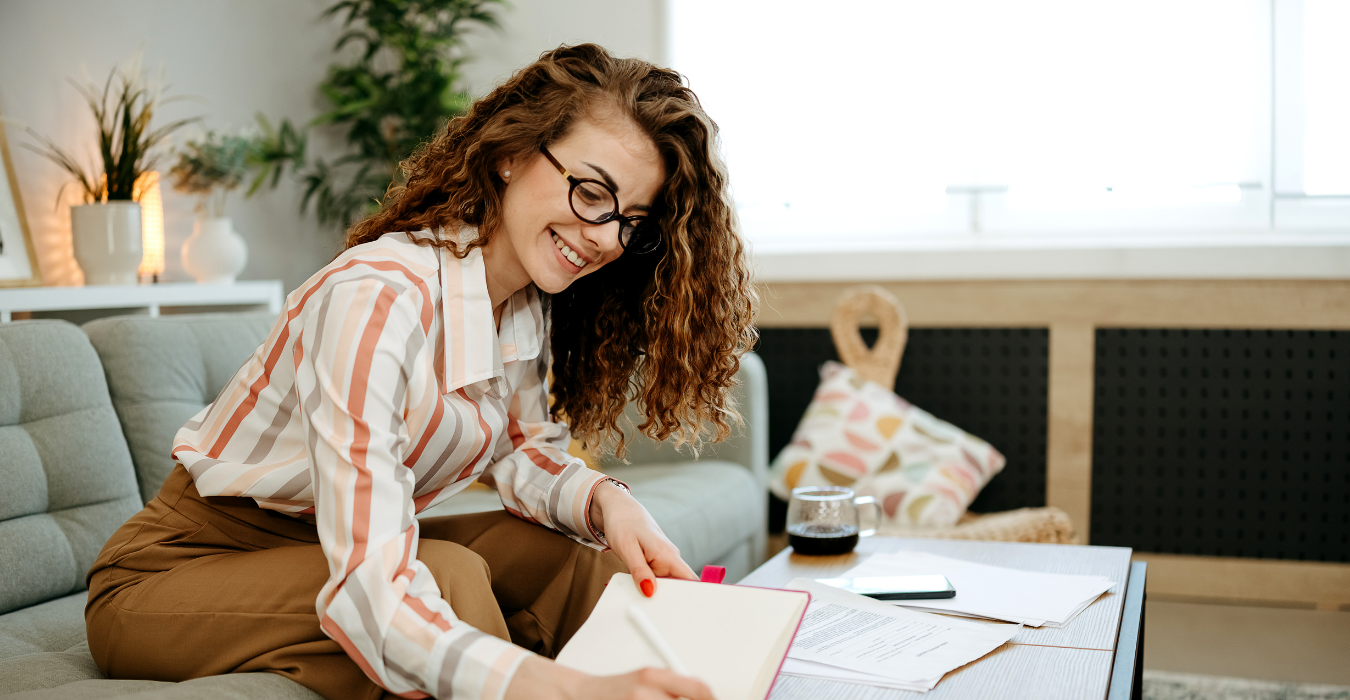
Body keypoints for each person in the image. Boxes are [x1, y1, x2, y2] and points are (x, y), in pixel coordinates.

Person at [85, 44, 757, 700]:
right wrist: (551, 686)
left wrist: (610, 503)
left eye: (631, 221)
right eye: (590, 192)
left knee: (576, 558)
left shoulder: (521, 301)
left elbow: (518, 450)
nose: (607, 238)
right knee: (446, 576)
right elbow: (372, 585)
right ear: (510, 156)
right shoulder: (375, 299)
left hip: (318, 544)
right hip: (177, 571)